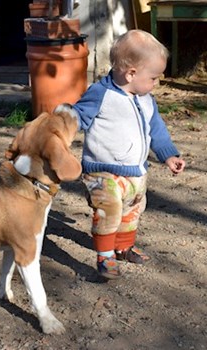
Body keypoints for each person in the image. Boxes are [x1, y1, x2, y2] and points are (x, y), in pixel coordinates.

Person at [55, 29, 185, 279]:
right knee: (109, 210)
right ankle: (105, 258)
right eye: (154, 77)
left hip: (136, 172)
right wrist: (62, 126)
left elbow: (155, 128)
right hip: (103, 172)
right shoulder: (101, 94)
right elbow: (79, 116)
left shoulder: (146, 99)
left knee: (133, 209)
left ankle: (123, 246)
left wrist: (168, 154)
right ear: (131, 73)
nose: (157, 83)